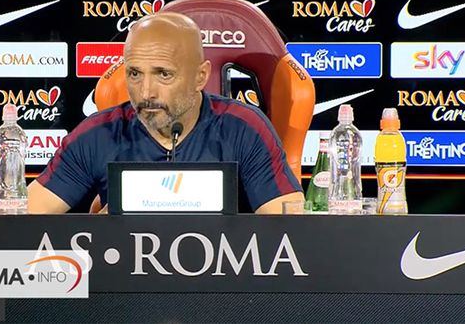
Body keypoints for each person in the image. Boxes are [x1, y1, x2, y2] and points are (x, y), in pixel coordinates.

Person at [27, 12, 304, 214]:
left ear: (200, 77)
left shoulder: (244, 129)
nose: (146, 92)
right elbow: (21, 222)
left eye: (164, 74)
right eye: (134, 74)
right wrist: (98, 232)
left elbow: (290, 232)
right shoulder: (98, 134)